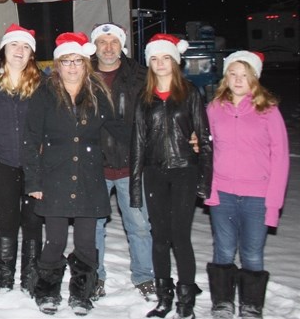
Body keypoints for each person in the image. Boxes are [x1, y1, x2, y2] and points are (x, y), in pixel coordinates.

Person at [23, 32, 128, 315]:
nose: (72, 66)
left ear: (86, 64)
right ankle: (47, 291)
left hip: (88, 177)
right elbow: (31, 139)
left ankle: (81, 293)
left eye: (77, 61)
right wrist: (33, 181)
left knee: (86, 242)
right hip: (54, 176)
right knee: (54, 240)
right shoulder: (44, 94)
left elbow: (119, 130)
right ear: (58, 64)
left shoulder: (97, 95)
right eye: (66, 61)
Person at [130, 33, 213, 319]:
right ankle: (163, 298)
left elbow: (204, 137)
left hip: (184, 172)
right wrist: (135, 185)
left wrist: (205, 178)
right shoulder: (144, 97)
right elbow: (138, 142)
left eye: (166, 57)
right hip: (154, 173)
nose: (160, 63)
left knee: (180, 237)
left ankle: (186, 297)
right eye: (154, 59)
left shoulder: (189, 93)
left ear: (175, 61)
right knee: (159, 237)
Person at [205, 51, 289, 319]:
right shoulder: (214, 109)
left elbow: (280, 158)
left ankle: (251, 305)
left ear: (255, 78)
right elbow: (206, 149)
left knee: (252, 253)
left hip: (258, 196)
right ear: (225, 76)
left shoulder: (268, 110)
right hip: (223, 193)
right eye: (233, 73)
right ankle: (222, 303)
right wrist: (210, 188)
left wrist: (273, 204)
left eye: (244, 75)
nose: (238, 80)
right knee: (224, 249)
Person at [89, 23, 154, 300]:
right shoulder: (83, 74)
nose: (108, 47)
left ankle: (144, 276)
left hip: (131, 166)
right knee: (93, 226)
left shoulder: (140, 75)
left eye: (113, 41)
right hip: (93, 166)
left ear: (122, 45)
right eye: (102, 42)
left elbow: (155, 113)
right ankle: (95, 276)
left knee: (139, 226)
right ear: (95, 46)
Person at [0, 24, 45, 293]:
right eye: (14, 45)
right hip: (2, 163)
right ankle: (5, 280)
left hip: (35, 165)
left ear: (31, 53)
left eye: (25, 46)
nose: (19, 51)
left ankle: (30, 278)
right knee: (8, 223)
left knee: (32, 222)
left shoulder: (43, 83)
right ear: (3, 49)